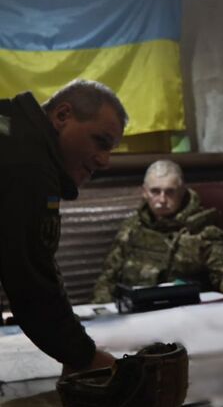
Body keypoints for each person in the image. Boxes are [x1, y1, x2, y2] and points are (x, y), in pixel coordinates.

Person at [0, 79, 126, 374]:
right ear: (62, 116)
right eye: (100, 141)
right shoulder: (27, 164)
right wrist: (84, 357)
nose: (105, 161)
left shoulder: (11, 126)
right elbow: (32, 283)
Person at [91, 159, 223, 303]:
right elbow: (108, 279)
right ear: (144, 192)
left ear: (182, 192)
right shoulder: (132, 228)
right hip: (136, 312)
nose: (162, 199)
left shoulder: (201, 231)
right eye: (155, 191)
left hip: (185, 314)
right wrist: (101, 311)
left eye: (170, 192)